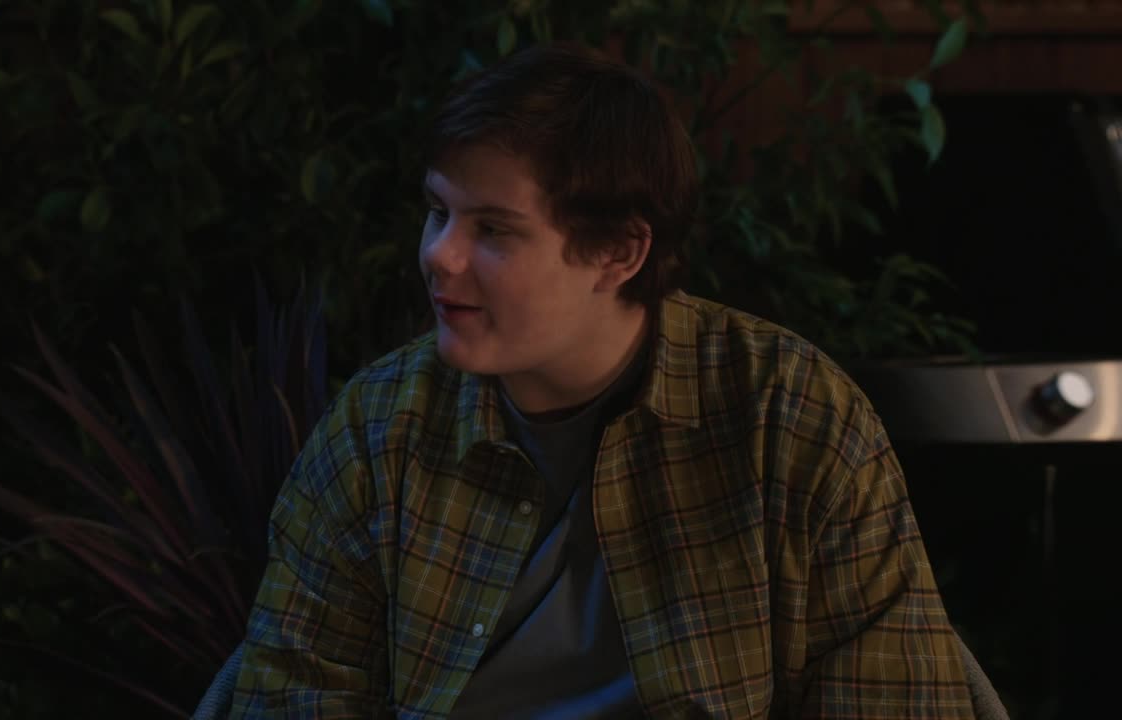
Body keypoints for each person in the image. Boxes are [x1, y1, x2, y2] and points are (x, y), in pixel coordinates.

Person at [227, 42, 976, 718]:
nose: (439, 255)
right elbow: (291, 694)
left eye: (493, 229)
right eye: (437, 212)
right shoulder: (379, 428)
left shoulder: (788, 419)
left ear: (619, 253)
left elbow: (897, 700)